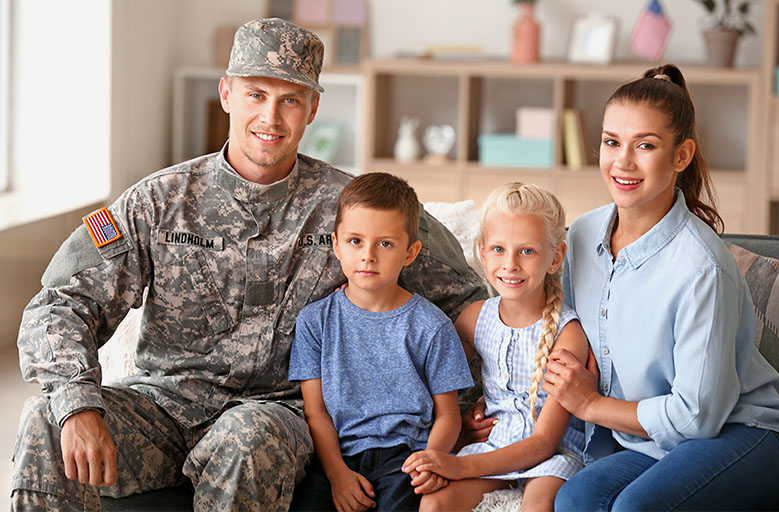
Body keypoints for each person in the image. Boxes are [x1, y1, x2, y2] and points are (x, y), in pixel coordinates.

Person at [10, 18, 487, 512]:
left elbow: (469, 304)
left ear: (313, 109)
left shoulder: (352, 207)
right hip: (164, 408)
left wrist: (475, 405)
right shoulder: (159, 200)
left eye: (290, 100)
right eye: (256, 94)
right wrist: (77, 401)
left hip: (275, 417)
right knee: (46, 417)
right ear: (226, 94)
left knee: (247, 436)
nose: (271, 118)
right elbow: (59, 304)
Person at [541, 64, 779, 511]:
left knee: (633, 509)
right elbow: (557, 329)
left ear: (681, 156)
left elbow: (697, 416)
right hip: (655, 442)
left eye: (645, 145)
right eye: (611, 142)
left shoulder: (702, 267)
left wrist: (591, 405)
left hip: (749, 433)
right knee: (574, 501)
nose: (622, 161)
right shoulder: (580, 236)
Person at [288, 172, 474, 512]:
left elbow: (448, 415)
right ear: (336, 245)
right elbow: (315, 412)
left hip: (404, 460)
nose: (368, 256)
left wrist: (431, 461)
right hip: (336, 458)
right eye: (355, 241)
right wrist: (338, 475)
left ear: (410, 252)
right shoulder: (314, 322)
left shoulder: (432, 326)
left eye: (385, 243)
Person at [403, 182, 589, 512]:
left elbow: (544, 442)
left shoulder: (567, 334)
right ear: (482, 251)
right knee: (433, 503)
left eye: (527, 251)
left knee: (539, 504)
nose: (511, 264)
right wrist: (463, 421)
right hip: (494, 442)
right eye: (499, 249)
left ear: (555, 257)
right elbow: (439, 387)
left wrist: (457, 465)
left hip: (552, 454)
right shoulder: (474, 320)